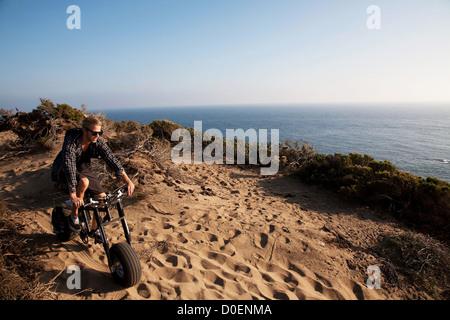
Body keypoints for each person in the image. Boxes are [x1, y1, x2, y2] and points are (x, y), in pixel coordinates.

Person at [51, 116, 135, 236]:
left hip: (82, 168)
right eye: (94, 133)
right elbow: (69, 165)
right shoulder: (72, 140)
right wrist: (73, 195)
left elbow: (111, 158)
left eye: (100, 132)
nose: (97, 135)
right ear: (84, 130)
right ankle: (74, 216)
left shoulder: (97, 141)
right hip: (63, 168)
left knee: (102, 198)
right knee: (84, 182)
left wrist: (127, 180)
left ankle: (95, 229)